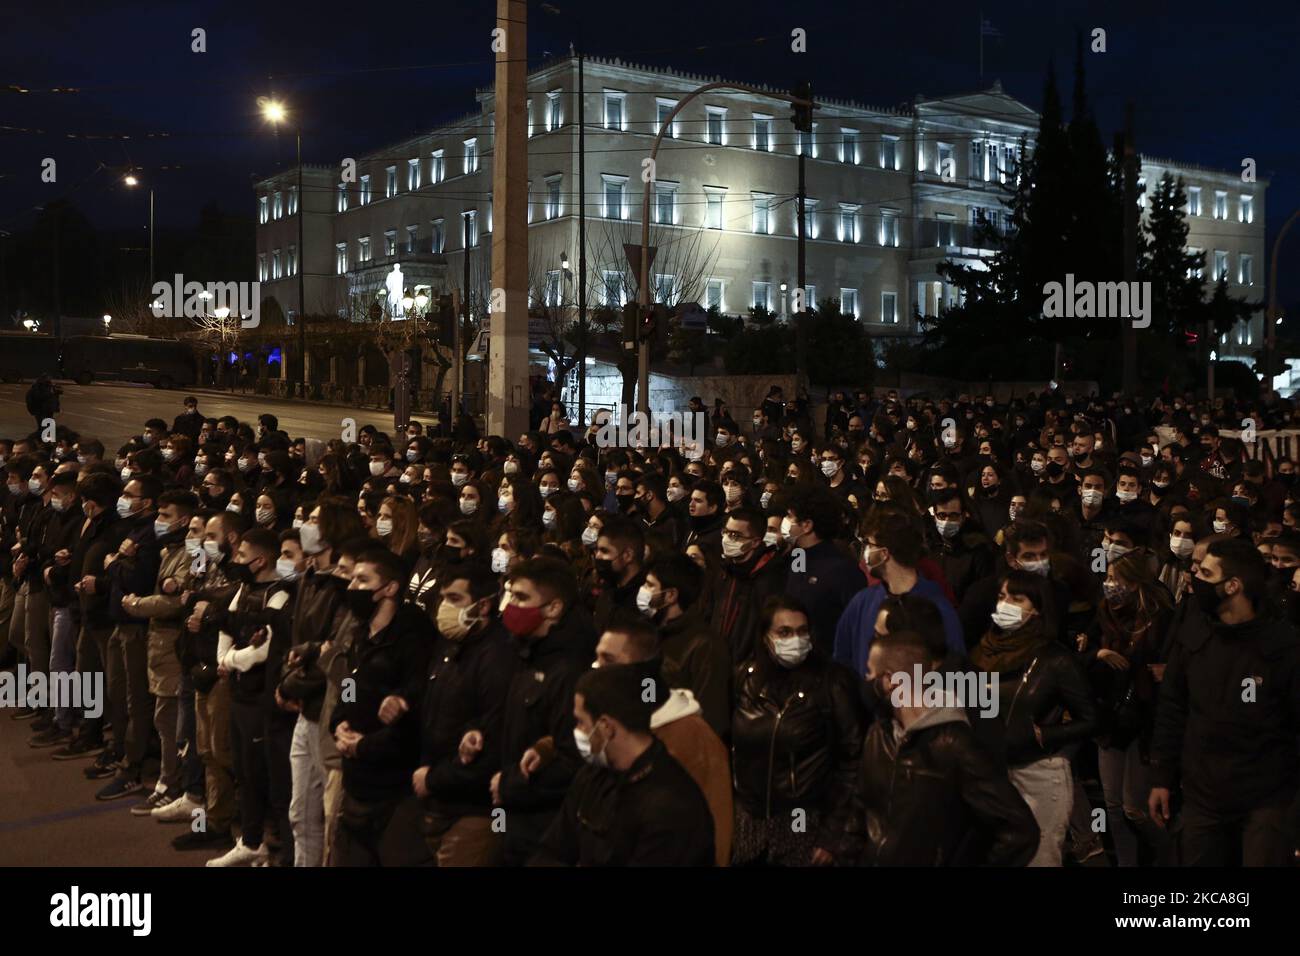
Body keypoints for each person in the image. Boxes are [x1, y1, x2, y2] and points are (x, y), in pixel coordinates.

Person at [1148, 537, 1300, 866]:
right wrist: (1161, 776)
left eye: (1205, 573)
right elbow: (1172, 708)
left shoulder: (1283, 647)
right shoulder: (1194, 632)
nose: (1194, 577)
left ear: (1232, 586)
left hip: (1267, 799)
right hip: (1203, 795)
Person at [839, 630, 1040, 866]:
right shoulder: (878, 735)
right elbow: (862, 810)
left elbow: (1020, 831)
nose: (866, 680)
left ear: (890, 680)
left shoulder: (954, 746)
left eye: (871, 673)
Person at [970, 571, 1099, 866]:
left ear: (1037, 608)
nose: (1006, 604)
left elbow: (1091, 719)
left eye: (1017, 598)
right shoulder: (982, 653)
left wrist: (1046, 734)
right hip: (993, 772)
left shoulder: (1055, 659)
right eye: (1003, 597)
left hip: (1040, 773)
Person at [531, 663, 715, 866]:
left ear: (606, 727)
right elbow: (551, 850)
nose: (576, 730)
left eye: (581, 722)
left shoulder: (671, 806)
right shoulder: (593, 777)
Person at [593, 610, 733, 865]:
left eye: (608, 661)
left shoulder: (693, 738)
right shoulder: (612, 726)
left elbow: (716, 823)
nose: (596, 669)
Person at [732, 596, 864, 866]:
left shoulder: (832, 682)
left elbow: (853, 760)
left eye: (802, 631)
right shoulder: (745, 679)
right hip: (750, 822)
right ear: (765, 637)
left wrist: (832, 834)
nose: (796, 639)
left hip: (803, 820)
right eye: (784, 632)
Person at [329, 546, 434, 866]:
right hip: (356, 780)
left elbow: (414, 710)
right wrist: (340, 722)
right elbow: (349, 686)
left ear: (389, 588)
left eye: (363, 580)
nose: (352, 587)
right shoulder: (361, 633)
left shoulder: (413, 640)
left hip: (394, 789)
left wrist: (366, 745)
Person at [490, 557, 594, 865]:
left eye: (522, 598)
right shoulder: (525, 652)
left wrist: (509, 785)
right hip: (510, 816)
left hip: (542, 829)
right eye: (510, 594)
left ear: (553, 608)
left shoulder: (567, 670)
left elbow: (571, 760)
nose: (512, 605)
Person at [411, 564, 514, 867]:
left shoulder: (498, 657)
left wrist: (435, 777)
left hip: (477, 810)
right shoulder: (450, 646)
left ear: (483, 605)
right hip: (439, 801)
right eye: (443, 598)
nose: (445, 607)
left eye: (455, 598)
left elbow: (493, 743)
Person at [834, 510, 964, 677]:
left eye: (869, 544)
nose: (865, 550)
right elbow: (842, 662)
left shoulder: (937, 610)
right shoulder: (862, 602)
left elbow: (954, 673)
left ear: (884, 553)